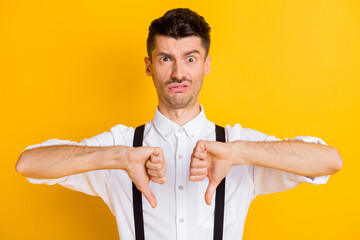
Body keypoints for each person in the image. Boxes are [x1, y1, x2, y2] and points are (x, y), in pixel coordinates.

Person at [16, 8, 343, 240]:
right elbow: (29, 163)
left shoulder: (236, 144)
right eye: (165, 59)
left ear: (206, 65)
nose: (178, 73)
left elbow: (328, 161)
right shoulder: (121, 144)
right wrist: (119, 158)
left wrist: (238, 152)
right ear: (149, 66)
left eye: (190, 58)